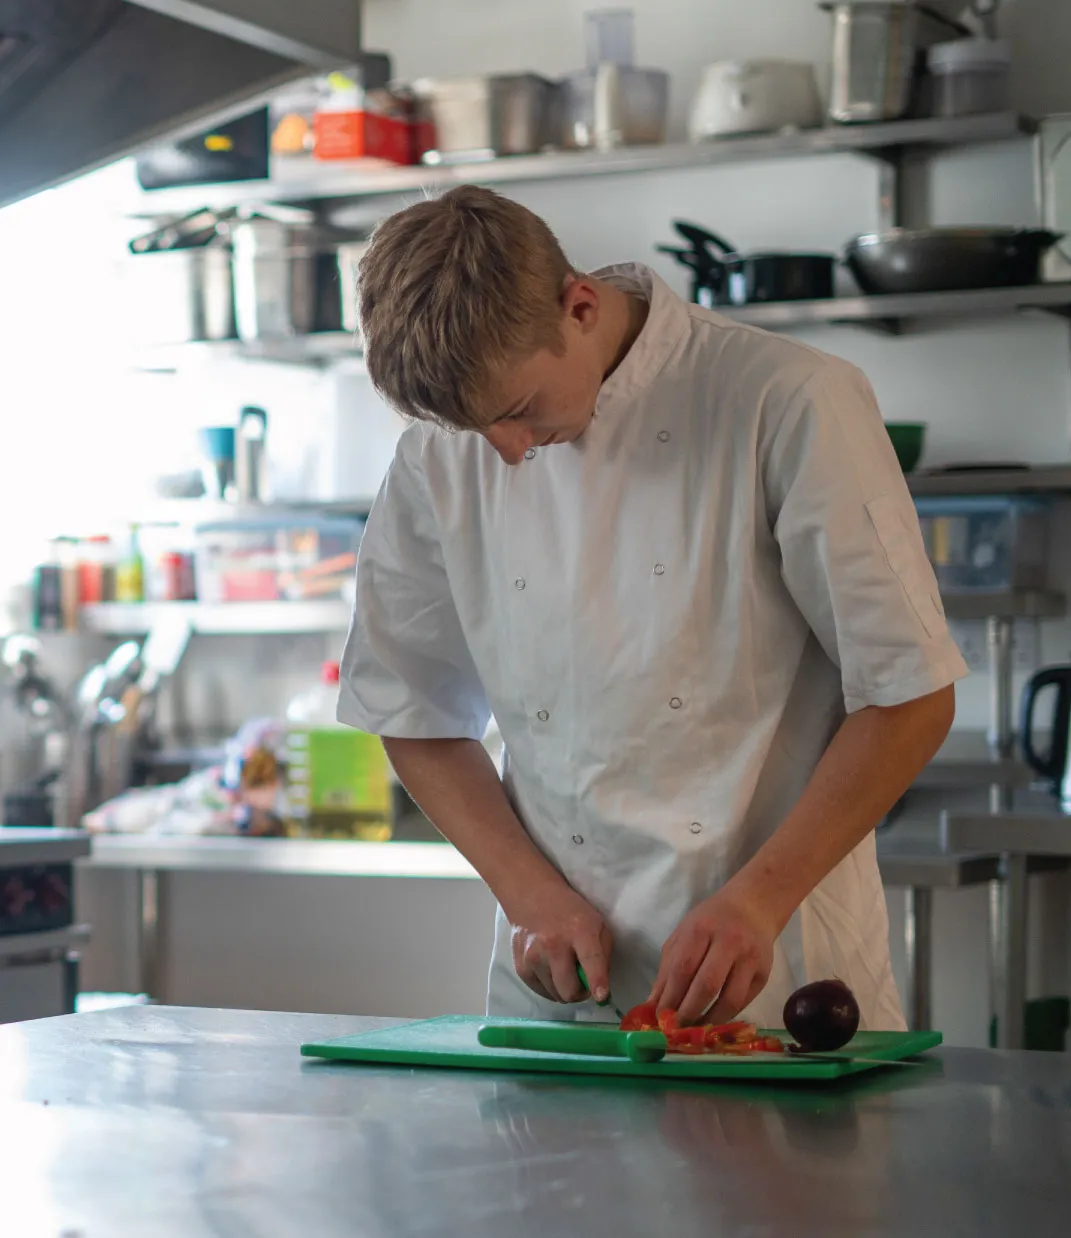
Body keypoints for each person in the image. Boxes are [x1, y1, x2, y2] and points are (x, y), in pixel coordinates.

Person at [338, 185, 967, 1030]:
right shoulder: (437, 455)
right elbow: (412, 712)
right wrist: (528, 896)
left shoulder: (787, 400)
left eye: (519, 412)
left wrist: (757, 902)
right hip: (556, 997)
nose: (508, 453)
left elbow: (910, 694)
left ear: (581, 305)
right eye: (473, 430)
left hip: (777, 980)